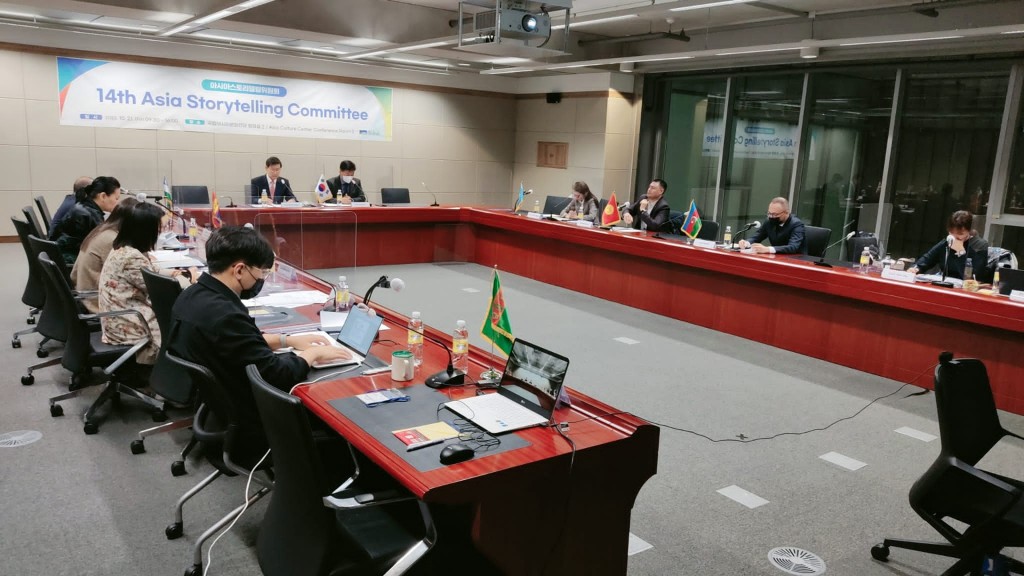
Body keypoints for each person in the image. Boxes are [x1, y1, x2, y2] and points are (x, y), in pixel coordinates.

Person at [167, 226, 351, 438]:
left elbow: (239, 343)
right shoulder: (226, 315)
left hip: (223, 405)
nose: (261, 279)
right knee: (337, 408)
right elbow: (278, 375)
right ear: (239, 270)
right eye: (262, 273)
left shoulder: (192, 295)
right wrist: (313, 354)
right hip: (256, 418)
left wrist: (287, 340)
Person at [98, 203, 197, 367]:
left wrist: (178, 273)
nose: (159, 233)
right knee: (188, 324)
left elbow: (151, 271)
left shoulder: (123, 249)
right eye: (158, 229)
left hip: (119, 317)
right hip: (129, 324)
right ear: (145, 231)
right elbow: (162, 289)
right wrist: (190, 278)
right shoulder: (131, 258)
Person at [72, 196, 140, 313]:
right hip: (96, 300)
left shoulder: (102, 230)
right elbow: (132, 276)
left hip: (84, 292)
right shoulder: (112, 240)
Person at [50, 176, 122, 266]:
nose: (118, 202)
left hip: (63, 258)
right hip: (71, 263)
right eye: (116, 198)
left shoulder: (84, 206)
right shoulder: (88, 214)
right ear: (103, 196)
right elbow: (105, 244)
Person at [908, 210, 992, 283]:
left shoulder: (979, 245)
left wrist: (960, 252)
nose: (955, 237)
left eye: (960, 234)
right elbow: (927, 259)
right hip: (944, 281)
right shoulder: (947, 242)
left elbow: (974, 276)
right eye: (952, 233)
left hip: (965, 286)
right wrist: (916, 268)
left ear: (969, 231)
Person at [739, 197, 806, 254]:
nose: (771, 217)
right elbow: (757, 236)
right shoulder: (769, 221)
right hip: (776, 257)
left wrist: (767, 249)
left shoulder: (797, 224)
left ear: (786, 212)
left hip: (795, 259)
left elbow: (793, 247)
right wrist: (747, 243)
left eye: (775, 214)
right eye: (769, 213)